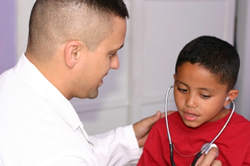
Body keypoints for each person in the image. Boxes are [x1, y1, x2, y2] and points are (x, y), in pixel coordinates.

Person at [0, 0, 222, 165]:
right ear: (74, 53)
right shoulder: (58, 153)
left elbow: (82, 154)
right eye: (111, 53)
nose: (115, 64)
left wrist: (129, 139)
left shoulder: (11, 88)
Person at [137, 35, 250, 166]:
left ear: (229, 97)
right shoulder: (162, 130)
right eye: (183, 89)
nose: (190, 102)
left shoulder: (245, 136)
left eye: (205, 95)